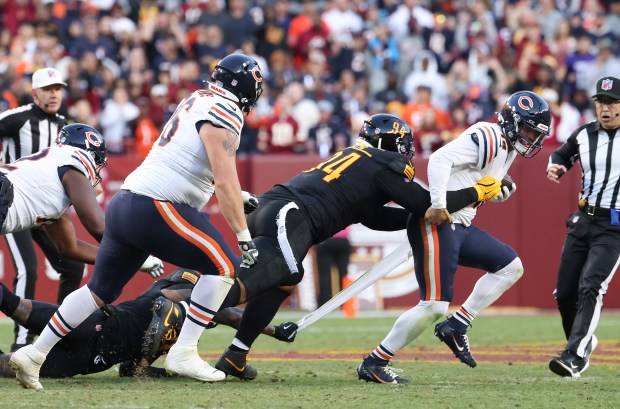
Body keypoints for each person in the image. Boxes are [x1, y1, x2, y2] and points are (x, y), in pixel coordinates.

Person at [10, 53, 265, 390]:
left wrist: (237, 193)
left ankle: (34, 352)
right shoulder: (226, 109)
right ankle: (184, 352)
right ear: (246, 84)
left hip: (126, 203)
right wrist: (243, 233)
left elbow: (191, 164)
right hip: (156, 205)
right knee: (225, 268)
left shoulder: (199, 98)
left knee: (98, 291)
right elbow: (222, 177)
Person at [210, 113, 504, 382]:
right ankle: (188, 305)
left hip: (276, 208)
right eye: (403, 146)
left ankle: (236, 354)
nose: (406, 153)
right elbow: (426, 204)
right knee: (263, 276)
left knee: (285, 281)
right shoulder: (381, 162)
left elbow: (374, 218)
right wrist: (475, 192)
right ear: (389, 144)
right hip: (292, 215)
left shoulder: (361, 162)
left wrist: (418, 221)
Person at [355, 91, 551, 384]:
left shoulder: (507, 148)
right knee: (434, 305)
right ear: (512, 121)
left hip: (460, 226)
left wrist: (497, 192)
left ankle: (458, 325)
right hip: (444, 222)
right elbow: (439, 159)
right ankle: (375, 362)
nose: (531, 138)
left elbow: (475, 184)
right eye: (527, 130)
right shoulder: (489, 135)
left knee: (511, 266)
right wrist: (437, 205)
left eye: (535, 134)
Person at [0, 268, 291, 380]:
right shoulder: (178, 291)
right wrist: (275, 331)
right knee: (17, 307)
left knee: (10, 365)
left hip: (91, 358)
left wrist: (168, 375)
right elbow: (228, 315)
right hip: (97, 326)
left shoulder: (181, 331)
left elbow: (131, 370)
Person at [0, 67, 85, 352]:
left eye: (58, 89)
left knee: (73, 264)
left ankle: (60, 335)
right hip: (14, 203)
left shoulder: (65, 126)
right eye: (47, 89)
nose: (53, 94)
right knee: (28, 269)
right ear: (34, 93)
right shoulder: (17, 118)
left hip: (44, 208)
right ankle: (21, 343)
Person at [546, 76, 620, 378]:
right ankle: (580, 344)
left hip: (614, 225)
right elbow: (562, 153)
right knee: (565, 293)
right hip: (583, 219)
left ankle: (574, 356)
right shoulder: (584, 134)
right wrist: (556, 165)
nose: (605, 108)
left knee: (591, 285)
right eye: (601, 102)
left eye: (612, 102)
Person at [315, 227, 352, 307]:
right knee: (343, 274)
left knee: (324, 275)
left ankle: (324, 304)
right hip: (342, 240)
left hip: (326, 240)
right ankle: (345, 303)